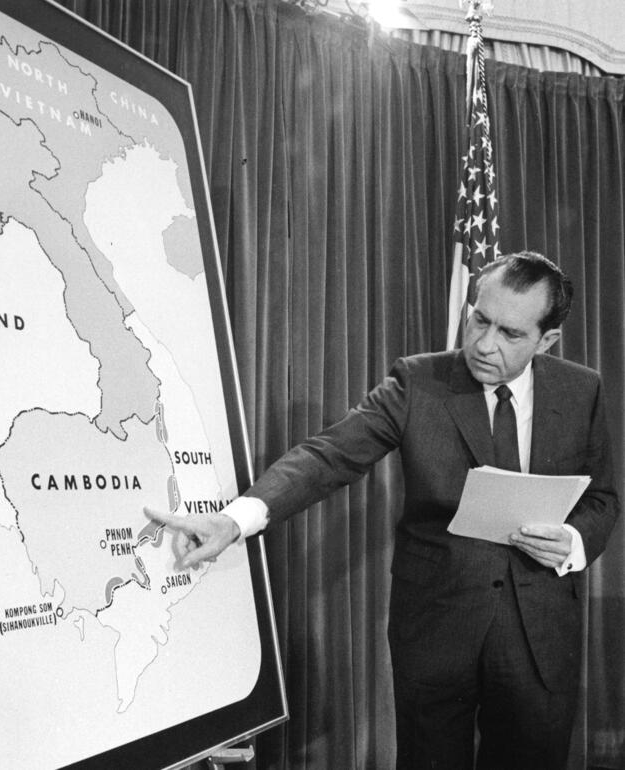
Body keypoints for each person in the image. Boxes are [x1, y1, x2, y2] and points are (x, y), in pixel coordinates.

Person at [145, 251, 619, 769]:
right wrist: (234, 520)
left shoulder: (581, 390)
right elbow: (329, 456)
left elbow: (601, 500)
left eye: (510, 334)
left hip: (539, 633)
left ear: (547, 340)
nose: (485, 344)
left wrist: (574, 542)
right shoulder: (418, 381)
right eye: (480, 320)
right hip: (437, 630)